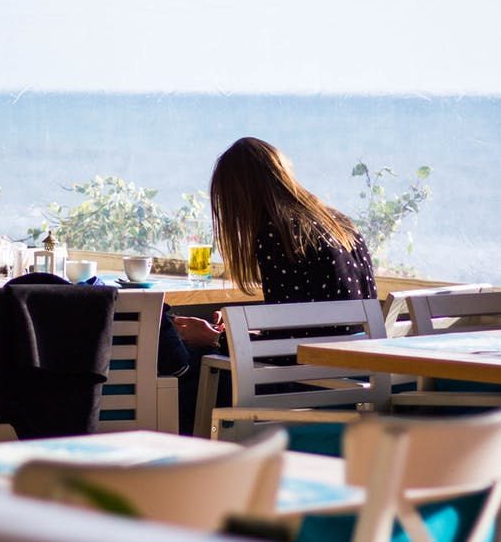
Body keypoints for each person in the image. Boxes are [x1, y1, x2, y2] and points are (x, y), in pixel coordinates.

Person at [161, 136, 378, 433]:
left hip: (311, 380)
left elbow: (288, 350)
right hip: (356, 372)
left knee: (190, 371)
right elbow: (307, 325)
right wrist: (246, 333)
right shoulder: (340, 225)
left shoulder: (279, 236)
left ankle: (192, 461)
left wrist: (215, 340)